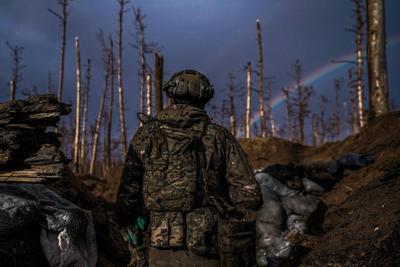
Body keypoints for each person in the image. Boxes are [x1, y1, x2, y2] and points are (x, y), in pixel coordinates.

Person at [116, 69, 262, 267]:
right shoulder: (219, 136)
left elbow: (126, 199)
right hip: (208, 246)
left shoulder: (147, 135)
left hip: (158, 247)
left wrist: (136, 233)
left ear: (171, 96)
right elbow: (250, 196)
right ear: (204, 99)